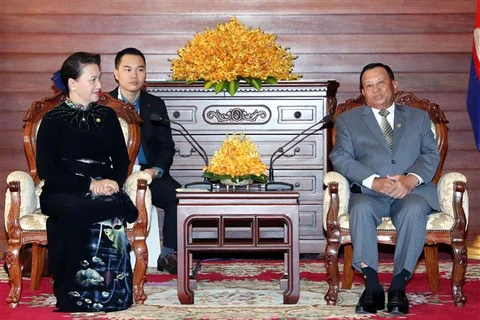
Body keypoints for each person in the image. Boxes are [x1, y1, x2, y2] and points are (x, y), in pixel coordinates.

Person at [329, 63, 440, 315]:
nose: (376, 89)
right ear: (363, 91)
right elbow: (341, 157)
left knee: (413, 210)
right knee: (359, 209)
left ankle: (399, 285)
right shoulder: (348, 120)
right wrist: (372, 180)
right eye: (369, 86)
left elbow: (430, 155)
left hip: (410, 192)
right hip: (370, 193)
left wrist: (411, 179)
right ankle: (372, 286)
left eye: (381, 83)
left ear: (394, 85)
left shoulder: (418, 117)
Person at [37, 52, 138, 312]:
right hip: (63, 189)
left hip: (102, 186)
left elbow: (120, 161)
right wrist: (88, 185)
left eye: (99, 79)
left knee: (102, 204)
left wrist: (113, 182)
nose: (99, 86)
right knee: (82, 207)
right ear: (73, 83)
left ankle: (113, 292)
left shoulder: (107, 117)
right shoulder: (52, 119)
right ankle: (73, 294)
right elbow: (47, 169)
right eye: (92, 80)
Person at [109, 47, 181, 274]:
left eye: (140, 70)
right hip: (117, 176)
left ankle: (169, 255)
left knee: (177, 196)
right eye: (127, 69)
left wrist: (154, 171)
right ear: (116, 74)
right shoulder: (104, 105)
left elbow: (166, 146)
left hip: (148, 174)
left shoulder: (155, 105)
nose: (134, 75)